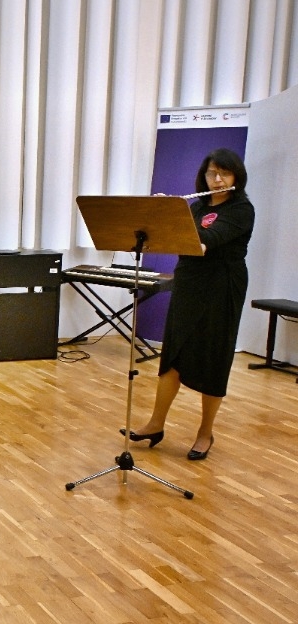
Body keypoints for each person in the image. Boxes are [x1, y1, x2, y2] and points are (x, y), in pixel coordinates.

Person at [126, 148, 254, 460]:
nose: (218, 179)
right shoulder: (196, 207)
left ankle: (205, 432)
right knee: (173, 353)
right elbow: (172, 239)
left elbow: (206, 240)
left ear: (236, 176)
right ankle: (156, 423)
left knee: (214, 357)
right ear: (204, 176)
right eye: (212, 173)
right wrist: (164, 215)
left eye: (225, 173)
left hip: (222, 287)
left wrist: (176, 217)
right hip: (189, 284)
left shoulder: (242, 209)